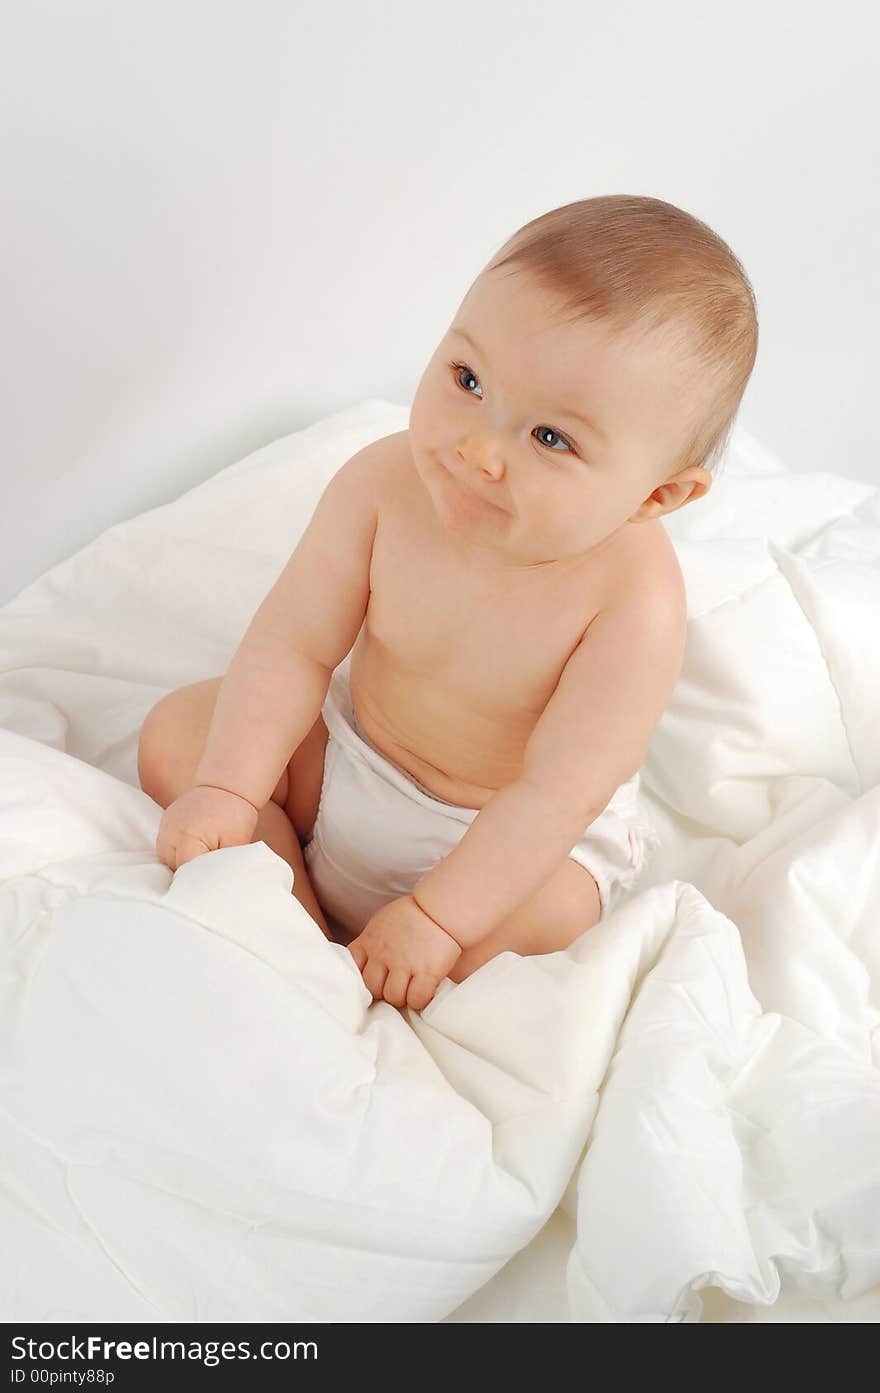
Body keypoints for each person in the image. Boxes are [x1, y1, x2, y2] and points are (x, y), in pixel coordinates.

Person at [137, 193, 759, 1011]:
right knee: (181, 734)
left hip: (502, 841)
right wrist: (229, 787)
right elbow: (294, 644)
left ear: (659, 494)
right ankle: (292, 923)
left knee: (556, 918)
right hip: (355, 757)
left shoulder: (632, 603)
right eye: (468, 379)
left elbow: (554, 795)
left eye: (550, 438)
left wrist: (437, 916)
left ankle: (395, 951)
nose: (477, 449)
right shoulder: (383, 484)